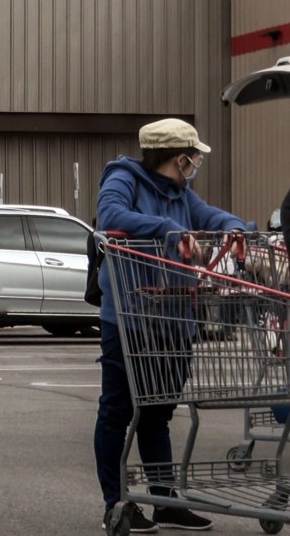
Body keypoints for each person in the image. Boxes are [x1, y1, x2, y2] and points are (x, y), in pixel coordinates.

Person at [94, 118, 246, 533]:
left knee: (159, 412)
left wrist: (233, 227)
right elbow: (109, 217)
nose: (197, 162)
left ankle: (163, 500)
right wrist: (166, 229)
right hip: (130, 316)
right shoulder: (124, 178)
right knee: (118, 410)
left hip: (173, 317)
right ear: (179, 157)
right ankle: (117, 502)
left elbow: (209, 215)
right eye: (194, 156)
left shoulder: (181, 194)